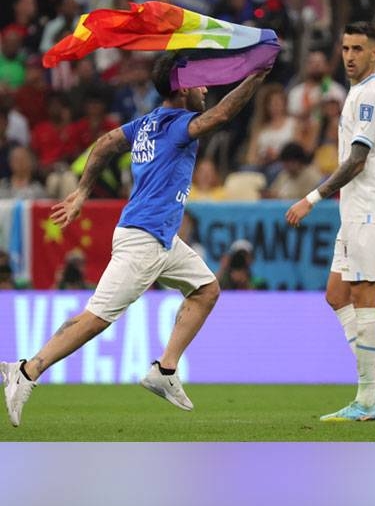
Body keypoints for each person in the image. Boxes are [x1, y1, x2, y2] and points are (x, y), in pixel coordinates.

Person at [0, 53, 270, 427]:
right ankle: (26, 371)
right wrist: (256, 76)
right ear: (183, 87)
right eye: (201, 82)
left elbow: (106, 143)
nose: (206, 88)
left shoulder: (145, 124)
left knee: (207, 289)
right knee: (96, 318)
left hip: (160, 238)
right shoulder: (178, 124)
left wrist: (81, 192)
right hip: (144, 239)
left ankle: (165, 368)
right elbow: (222, 116)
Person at [284, 22, 375, 422]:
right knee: (337, 293)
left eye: (358, 48)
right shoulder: (355, 93)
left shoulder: (371, 97)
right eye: (345, 47)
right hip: (354, 211)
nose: (349, 55)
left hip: (369, 208)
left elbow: (357, 160)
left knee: (365, 294)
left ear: (374, 52)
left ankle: (365, 400)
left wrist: (311, 198)